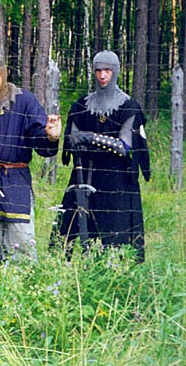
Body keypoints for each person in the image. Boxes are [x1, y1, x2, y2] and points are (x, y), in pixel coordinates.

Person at [51, 50, 150, 262]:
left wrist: (91, 138)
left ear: (115, 72)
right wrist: (87, 141)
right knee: (66, 231)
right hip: (84, 174)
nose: (102, 75)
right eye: (98, 70)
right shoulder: (81, 106)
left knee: (116, 237)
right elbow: (72, 140)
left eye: (107, 70)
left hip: (117, 181)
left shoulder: (129, 107)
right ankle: (63, 267)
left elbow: (124, 146)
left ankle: (115, 272)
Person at [0, 53, 61, 262]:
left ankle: (24, 279)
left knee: (22, 243)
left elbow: (39, 138)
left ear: (5, 74)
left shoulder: (24, 100)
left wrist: (50, 136)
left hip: (16, 181)